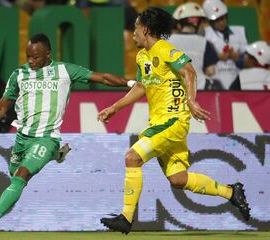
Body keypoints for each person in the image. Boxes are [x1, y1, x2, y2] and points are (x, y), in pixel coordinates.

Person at [98, 7, 250, 234]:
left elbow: (190, 72)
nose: (133, 34)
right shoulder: (142, 56)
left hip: (173, 121)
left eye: (136, 28)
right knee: (178, 180)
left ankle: (126, 218)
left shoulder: (165, 49)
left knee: (132, 157)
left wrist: (191, 100)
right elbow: (141, 86)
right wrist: (115, 107)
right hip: (159, 122)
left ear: (146, 29)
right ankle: (231, 192)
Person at [0, 33, 131, 233]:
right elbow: (3, 105)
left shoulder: (64, 70)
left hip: (47, 137)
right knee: (15, 174)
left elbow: (101, 77)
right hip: (22, 138)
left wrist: (129, 83)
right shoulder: (19, 75)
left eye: (36, 57)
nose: (31, 61)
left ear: (48, 53)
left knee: (20, 176)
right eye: (28, 56)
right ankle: (57, 155)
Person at [169, 2, 218, 90]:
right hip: (198, 90)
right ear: (196, 23)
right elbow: (211, 71)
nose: (203, 26)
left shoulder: (166, 42)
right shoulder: (204, 42)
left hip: (171, 91)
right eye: (202, 22)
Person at [202, 0, 248, 90]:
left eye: (223, 18)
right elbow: (199, 61)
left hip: (238, 81)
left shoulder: (239, 32)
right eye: (217, 20)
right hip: (214, 81)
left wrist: (238, 58)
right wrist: (216, 57)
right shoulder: (204, 34)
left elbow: (249, 61)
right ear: (209, 21)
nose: (221, 23)